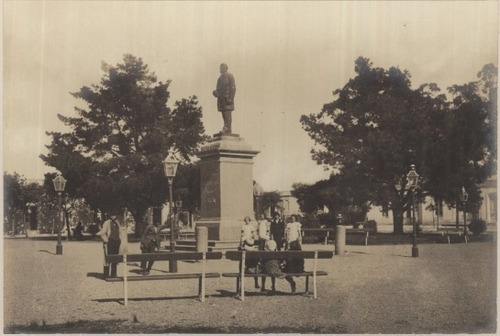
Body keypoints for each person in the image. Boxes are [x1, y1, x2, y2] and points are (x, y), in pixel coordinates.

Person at [213, 63, 236, 134]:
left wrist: (230, 98)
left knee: (227, 113)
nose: (220, 69)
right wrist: (215, 92)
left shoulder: (230, 76)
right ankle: (226, 127)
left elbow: (233, 88)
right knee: (223, 114)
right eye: (220, 67)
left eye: (222, 67)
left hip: (227, 99)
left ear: (226, 68)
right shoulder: (219, 79)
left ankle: (227, 128)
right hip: (221, 100)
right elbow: (218, 89)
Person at [239, 216, 260, 289]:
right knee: (254, 265)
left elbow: (253, 233)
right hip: (247, 243)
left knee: (243, 265)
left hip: (249, 242)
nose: (247, 221)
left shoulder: (251, 226)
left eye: (248, 220)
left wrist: (253, 237)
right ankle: (252, 283)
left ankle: (242, 284)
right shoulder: (243, 226)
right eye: (246, 220)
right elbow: (242, 234)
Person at [100, 213, 123, 277]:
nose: (113, 216)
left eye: (114, 215)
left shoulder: (117, 223)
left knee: (115, 258)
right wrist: (106, 240)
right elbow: (102, 233)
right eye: (112, 215)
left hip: (117, 242)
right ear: (110, 216)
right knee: (107, 258)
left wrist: (120, 239)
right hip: (110, 242)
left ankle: (114, 274)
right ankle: (106, 274)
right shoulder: (107, 223)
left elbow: (120, 232)